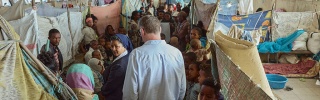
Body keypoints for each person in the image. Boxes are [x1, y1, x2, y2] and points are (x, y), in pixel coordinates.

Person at [123, 15, 186, 100]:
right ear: (160, 29)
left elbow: (130, 92)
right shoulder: (176, 53)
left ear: (142, 31)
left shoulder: (137, 55)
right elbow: (182, 88)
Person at [101, 34, 133, 100]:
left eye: (116, 46)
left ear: (124, 46)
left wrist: (102, 92)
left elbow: (111, 85)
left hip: (115, 95)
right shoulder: (127, 55)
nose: (113, 49)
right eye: (112, 46)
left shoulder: (119, 65)